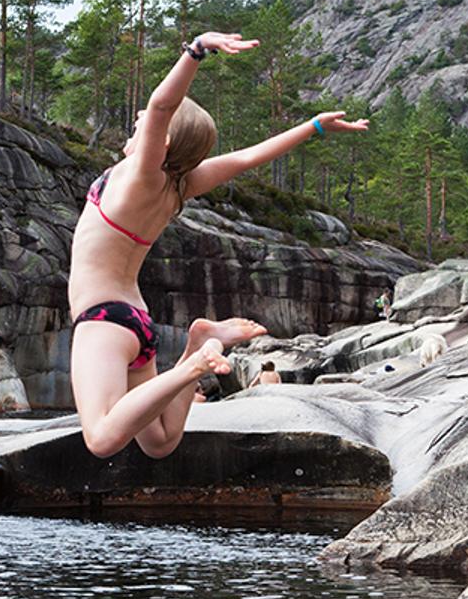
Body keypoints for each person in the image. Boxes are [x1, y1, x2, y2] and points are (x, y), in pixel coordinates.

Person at [69, 31, 369, 459]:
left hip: (102, 319)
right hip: (134, 319)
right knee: (159, 443)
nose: (138, 120)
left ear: (163, 142)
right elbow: (249, 157)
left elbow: (160, 106)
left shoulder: (141, 176)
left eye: (142, 125)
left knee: (100, 439)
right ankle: (196, 347)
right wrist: (313, 125)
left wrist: (196, 50)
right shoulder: (179, 185)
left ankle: (194, 363)